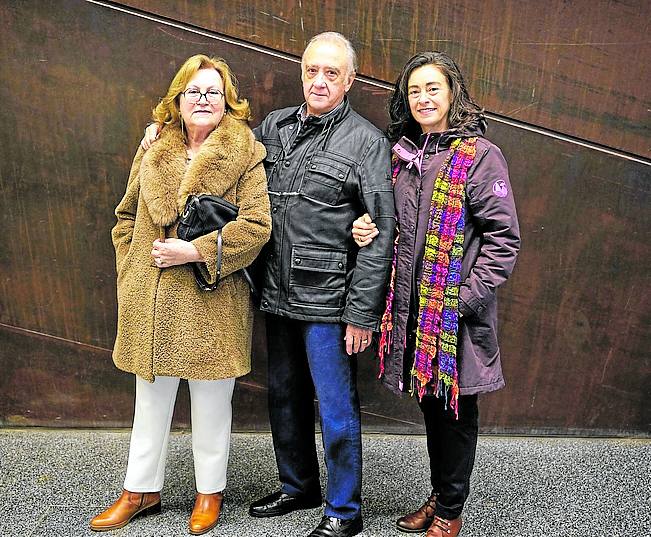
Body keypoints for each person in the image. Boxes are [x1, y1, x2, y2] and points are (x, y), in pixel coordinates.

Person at [141, 33, 394, 537]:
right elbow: (218, 140)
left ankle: (345, 511)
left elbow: (379, 232)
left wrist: (362, 314)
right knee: (283, 396)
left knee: (336, 407)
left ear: (350, 80)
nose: (319, 81)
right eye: (311, 70)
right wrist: (160, 129)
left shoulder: (367, 142)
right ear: (302, 72)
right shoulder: (274, 127)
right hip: (276, 291)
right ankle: (298, 486)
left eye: (331, 73)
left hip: (328, 298)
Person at [90, 54, 271, 535]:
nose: (204, 99)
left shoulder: (246, 153)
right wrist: (132, 267)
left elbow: (256, 228)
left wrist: (194, 251)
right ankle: (140, 489)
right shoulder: (153, 147)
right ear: (178, 101)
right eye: (194, 91)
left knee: (212, 404)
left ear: (228, 103)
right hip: (150, 298)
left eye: (214, 92)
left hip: (212, 298)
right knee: (149, 404)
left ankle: (208, 491)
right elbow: (126, 215)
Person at [352, 51, 520, 537]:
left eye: (433, 88)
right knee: (433, 407)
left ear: (453, 94)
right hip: (411, 312)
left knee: (457, 410)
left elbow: (503, 240)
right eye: (414, 90)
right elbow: (389, 222)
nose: (423, 98)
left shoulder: (479, 156)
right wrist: (366, 225)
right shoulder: (404, 157)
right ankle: (442, 493)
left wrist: (462, 301)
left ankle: (450, 511)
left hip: (455, 318)